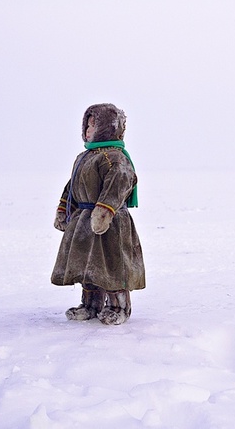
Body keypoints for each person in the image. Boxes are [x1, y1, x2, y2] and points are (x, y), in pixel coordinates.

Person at [51, 103, 145, 325]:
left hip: (110, 223)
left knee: (111, 265)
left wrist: (104, 211)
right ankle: (90, 305)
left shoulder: (116, 157)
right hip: (83, 219)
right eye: (87, 125)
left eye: (94, 125)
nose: (88, 130)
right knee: (88, 266)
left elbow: (120, 184)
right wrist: (64, 208)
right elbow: (71, 186)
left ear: (108, 128)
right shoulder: (83, 157)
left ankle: (118, 307)